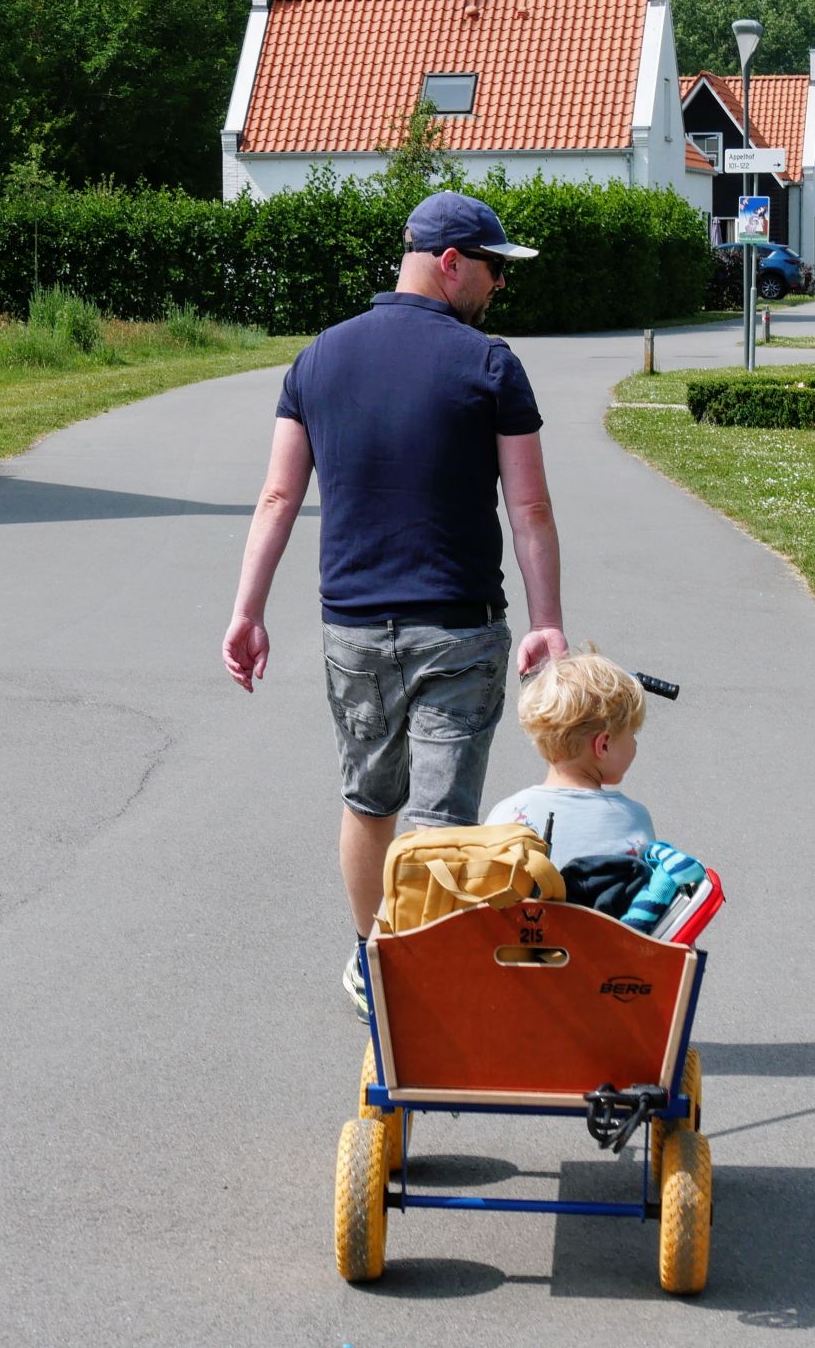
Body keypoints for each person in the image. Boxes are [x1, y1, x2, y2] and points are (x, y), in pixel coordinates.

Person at [221, 190, 568, 1019]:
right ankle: (428, 981)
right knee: (440, 819)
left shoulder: (318, 359)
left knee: (367, 799)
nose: (496, 289)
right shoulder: (489, 364)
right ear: (450, 263)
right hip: (457, 627)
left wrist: (247, 609)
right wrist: (548, 618)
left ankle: (371, 956)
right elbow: (529, 510)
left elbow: (276, 496)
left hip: (353, 630)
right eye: (491, 269)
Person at [484, 652, 655, 871]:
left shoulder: (506, 812)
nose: (634, 743)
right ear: (603, 745)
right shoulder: (633, 819)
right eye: (632, 733)